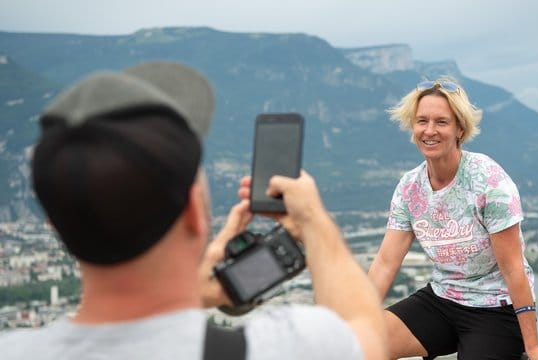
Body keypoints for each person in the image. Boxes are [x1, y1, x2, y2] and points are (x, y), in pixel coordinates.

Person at [0, 61, 388, 360]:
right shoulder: (286, 348)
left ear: (55, 225)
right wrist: (314, 222)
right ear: (194, 212)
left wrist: (198, 290)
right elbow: (367, 331)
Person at [367, 78, 538, 360]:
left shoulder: (488, 180)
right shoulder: (409, 188)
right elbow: (385, 264)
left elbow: (513, 270)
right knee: (362, 343)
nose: (430, 130)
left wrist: (533, 348)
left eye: (441, 122)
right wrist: (353, 322)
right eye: (422, 121)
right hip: (442, 300)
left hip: (495, 308)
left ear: (460, 128)